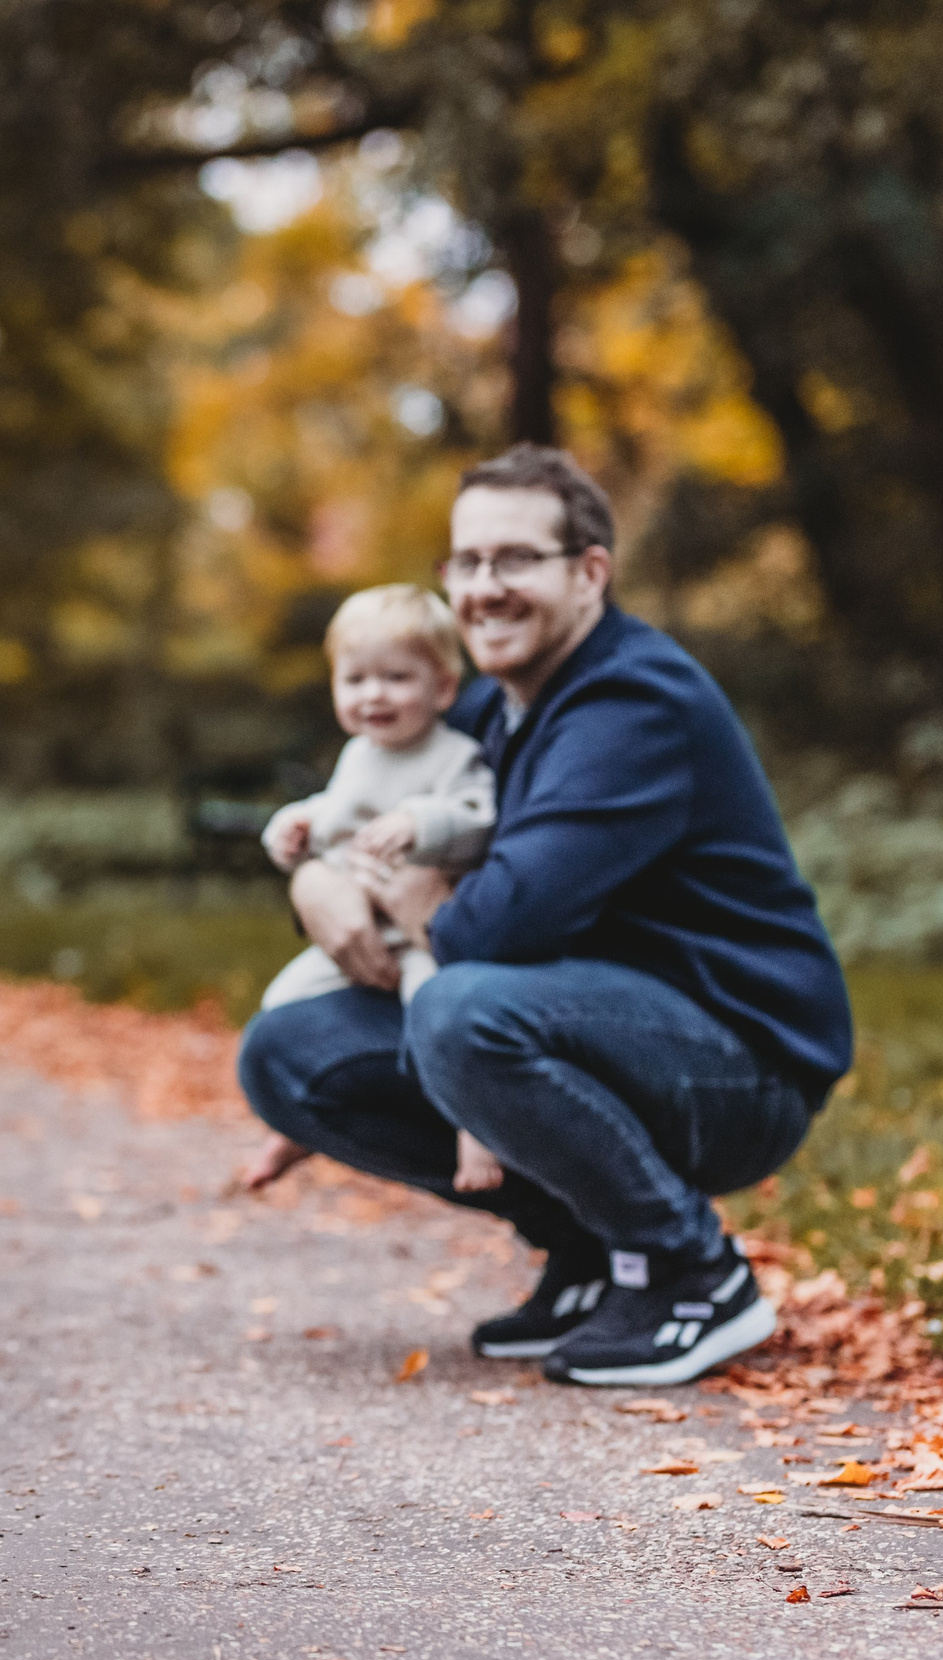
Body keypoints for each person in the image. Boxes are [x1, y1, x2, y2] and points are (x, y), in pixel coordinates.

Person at [237, 445, 852, 1387]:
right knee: (286, 1051)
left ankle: (691, 1271)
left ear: (589, 573)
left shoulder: (632, 703)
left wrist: (408, 893)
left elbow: (493, 929)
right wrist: (313, 882)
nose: (484, 587)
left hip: (737, 1059)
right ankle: (593, 1250)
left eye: (516, 558)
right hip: (598, 1022)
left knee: (462, 1010)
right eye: (467, 562)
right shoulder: (493, 705)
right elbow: (372, 823)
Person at [257, 586, 502, 1194]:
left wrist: (421, 823)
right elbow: (336, 813)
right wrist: (294, 826)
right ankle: (297, 1125)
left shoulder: (453, 756)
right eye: (355, 679)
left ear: (443, 688)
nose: (373, 695)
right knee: (280, 1006)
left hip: (420, 937)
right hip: (363, 929)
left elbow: (480, 816)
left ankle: (476, 1126)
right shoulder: (358, 756)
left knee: (436, 1019)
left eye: (396, 678)